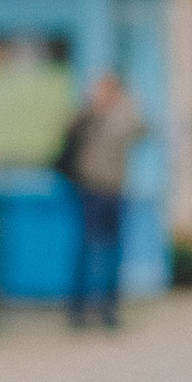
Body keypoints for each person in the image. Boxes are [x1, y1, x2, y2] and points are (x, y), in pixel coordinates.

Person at [56, 69, 145, 329]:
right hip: (89, 190)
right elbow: (68, 134)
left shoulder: (122, 118)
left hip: (115, 192)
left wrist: (128, 102)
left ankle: (109, 309)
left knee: (113, 252)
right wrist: (91, 108)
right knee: (87, 250)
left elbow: (140, 130)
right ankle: (78, 309)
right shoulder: (86, 117)